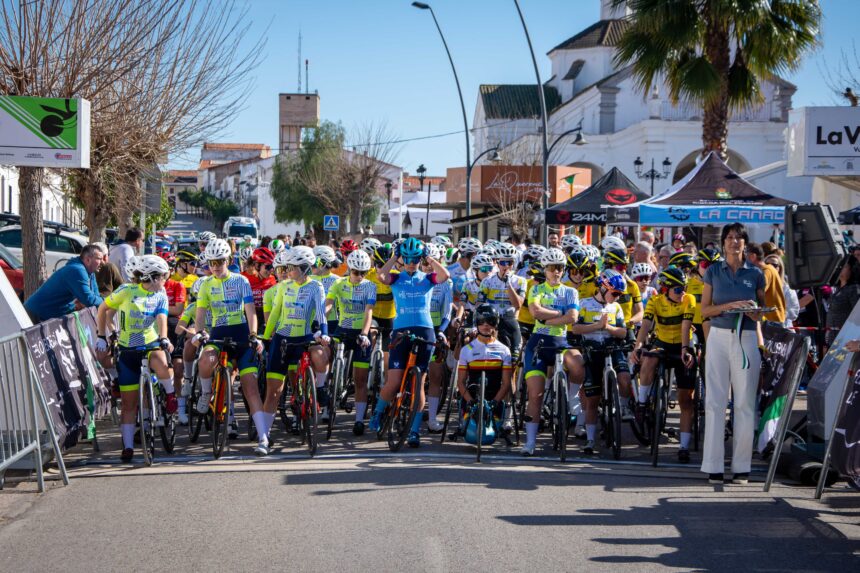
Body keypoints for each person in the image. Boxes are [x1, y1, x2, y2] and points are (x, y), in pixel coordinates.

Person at [699, 222, 765, 484]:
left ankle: (742, 467)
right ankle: (713, 466)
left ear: (745, 243)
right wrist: (730, 306)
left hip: (746, 338)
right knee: (715, 402)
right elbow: (704, 310)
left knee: (745, 404)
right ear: (723, 242)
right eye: (729, 237)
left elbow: (763, 309)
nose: (734, 241)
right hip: (718, 338)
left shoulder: (756, 273)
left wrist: (753, 311)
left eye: (738, 238)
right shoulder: (713, 271)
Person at [368, 237, 450, 448]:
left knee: (418, 384)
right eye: (409, 258)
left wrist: (429, 259)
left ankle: (414, 431)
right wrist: (396, 256)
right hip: (401, 332)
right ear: (403, 259)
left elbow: (445, 275)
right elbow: (381, 275)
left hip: (425, 331)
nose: (412, 262)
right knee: (394, 382)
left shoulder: (428, 278)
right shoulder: (397, 278)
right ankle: (378, 413)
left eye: (416, 258)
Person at [95, 254, 173, 463]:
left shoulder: (161, 294)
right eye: (163, 276)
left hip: (150, 343)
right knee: (129, 405)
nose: (166, 279)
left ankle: (171, 395)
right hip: (128, 348)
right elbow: (103, 309)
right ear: (153, 277)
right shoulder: (127, 291)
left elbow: (162, 318)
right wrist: (102, 336)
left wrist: (164, 338)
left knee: (162, 360)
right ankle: (128, 446)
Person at [193, 239, 263, 449]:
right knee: (206, 360)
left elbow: (250, 310)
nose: (215, 266)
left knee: (250, 387)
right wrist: (199, 333)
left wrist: (253, 334)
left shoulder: (241, 281)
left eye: (220, 261)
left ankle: (264, 436)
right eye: (212, 262)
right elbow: (200, 313)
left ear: (228, 260)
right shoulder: (205, 284)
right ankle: (206, 393)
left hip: (241, 335)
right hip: (218, 334)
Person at [261, 246, 329, 455]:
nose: (286, 271)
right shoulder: (283, 287)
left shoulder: (316, 286)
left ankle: (319, 389)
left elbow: (320, 313)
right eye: (286, 266)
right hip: (282, 338)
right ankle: (264, 437)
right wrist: (265, 339)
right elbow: (275, 314)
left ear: (304, 268)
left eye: (291, 267)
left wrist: (324, 333)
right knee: (274, 391)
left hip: (305, 337)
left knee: (320, 355)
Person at [630, 266, 697, 462]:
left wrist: (685, 349)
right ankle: (642, 403)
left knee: (686, 400)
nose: (682, 292)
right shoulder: (655, 301)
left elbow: (686, 326)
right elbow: (646, 325)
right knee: (649, 357)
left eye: (683, 287)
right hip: (663, 344)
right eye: (677, 289)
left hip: (683, 344)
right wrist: (638, 346)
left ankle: (683, 446)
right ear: (665, 288)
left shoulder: (689, 299)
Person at [521, 247, 584, 456]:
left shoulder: (570, 291)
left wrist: (548, 318)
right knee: (535, 395)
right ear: (545, 270)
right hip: (538, 343)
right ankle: (530, 442)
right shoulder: (536, 289)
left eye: (559, 268)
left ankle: (572, 398)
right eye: (551, 268)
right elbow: (535, 312)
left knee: (578, 363)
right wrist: (560, 312)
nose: (555, 272)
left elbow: (573, 318)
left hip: (560, 341)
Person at [571, 269, 630, 455]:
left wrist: (609, 328)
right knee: (593, 400)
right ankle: (589, 439)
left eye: (620, 294)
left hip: (612, 348)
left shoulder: (616, 307)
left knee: (625, 379)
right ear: (603, 288)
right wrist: (597, 326)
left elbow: (623, 332)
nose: (617, 297)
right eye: (615, 293)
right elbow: (575, 328)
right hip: (593, 350)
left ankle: (623, 406)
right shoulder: (585, 304)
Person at [325, 249, 377, 435]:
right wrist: (321, 321)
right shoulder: (338, 283)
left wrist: (364, 333)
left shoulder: (370, 286)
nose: (359, 276)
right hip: (342, 329)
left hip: (361, 331)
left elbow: (368, 311)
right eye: (356, 272)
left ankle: (358, 419)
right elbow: (329, 304)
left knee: (360, 379)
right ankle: (327, 389)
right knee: (326, 354)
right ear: (350, 269)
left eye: (363, 273)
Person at [456, 304, 513, 440]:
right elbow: (461, 382)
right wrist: (470, 402)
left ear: (496, 323)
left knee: (488, 436)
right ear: (476, 323)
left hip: (495, 398)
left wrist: (495, 402)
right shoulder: (466, 350)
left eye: (490, 321)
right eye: (481, 321)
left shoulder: (504, 350)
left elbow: (506, 384)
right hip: (471, 397)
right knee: (471, 436)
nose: (486, 325)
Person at [24, 244, 105, 322]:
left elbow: (95, 296)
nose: (103, 262)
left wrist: (103, 302)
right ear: (88, 260)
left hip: (49, 315)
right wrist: (107, 302)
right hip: (36, 314)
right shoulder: (77, 270)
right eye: (99, 258)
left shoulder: (90, 272)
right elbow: (88, 299)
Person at [825, 256, 860, 348]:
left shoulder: (854, 289)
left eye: (844, 266)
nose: (840, 269)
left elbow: (857, 315)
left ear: (852, 269)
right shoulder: (837, 288)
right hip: (832, 337)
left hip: (846, 339)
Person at [747, 243, 786, 325]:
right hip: (771, 321)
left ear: (752, 256)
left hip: (772, 323)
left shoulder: (766, 271)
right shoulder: (766, 270)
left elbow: (758, 291)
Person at [764, 254, 799, 328]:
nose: (770, 267)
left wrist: (776, 313)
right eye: (767, 264)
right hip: (763, 330)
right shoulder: (759, 287)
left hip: (782, 330)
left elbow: (794, 311)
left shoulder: (787, 288)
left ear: (780, 268)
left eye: (774, 265)